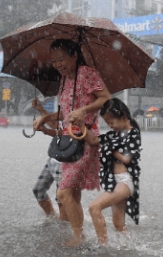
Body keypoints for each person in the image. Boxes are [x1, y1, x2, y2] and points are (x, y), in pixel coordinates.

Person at [33, 39, 111, 246]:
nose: (58, 64)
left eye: (61, 59)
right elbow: (65, 114)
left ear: (74, 55)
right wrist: (44, 117)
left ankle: (79, 236)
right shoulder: (65, 80)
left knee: (63, 192)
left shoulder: (87, 73)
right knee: (73, 193)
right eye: (54, 60)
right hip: (68, 141)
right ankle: (80, 232)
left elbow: (106, 98)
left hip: (84, 139)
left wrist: (84, 111)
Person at [74, 98, 142, 246]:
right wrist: (80, 126)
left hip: (125, 181)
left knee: (94, 207)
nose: (110, 126)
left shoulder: (133, 133)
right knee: (119, 225)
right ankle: (131, 247)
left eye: (112, 122)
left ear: (123, 117)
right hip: (114, 182)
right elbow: (92, 141)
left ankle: (103, 247)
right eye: (107, 123)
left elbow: (127, 159)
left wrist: (111, 149)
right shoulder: (112, 136)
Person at [31, 97, 67, 220]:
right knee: (38, 190)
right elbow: (57, 126)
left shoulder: (75, 107)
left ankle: (65, 229)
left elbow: (66, 133)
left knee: (62, 198)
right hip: (53, 157)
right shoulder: (64, 103)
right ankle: (52, 219)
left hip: (66, 160)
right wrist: (41, 109)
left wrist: (46, 130)